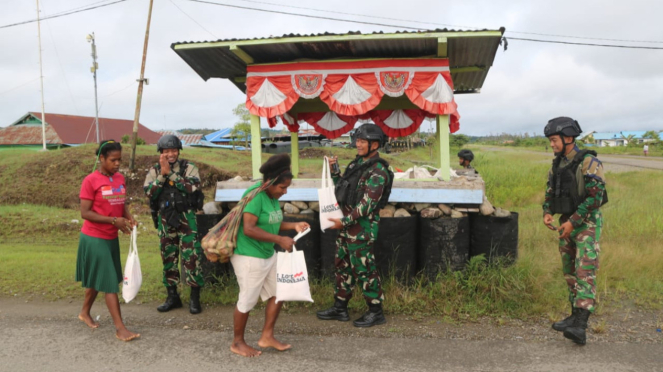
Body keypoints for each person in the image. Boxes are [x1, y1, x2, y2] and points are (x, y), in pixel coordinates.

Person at [230, 154, 310, 357]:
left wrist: (293, 225)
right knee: (247, 300)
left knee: (278, 292)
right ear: (270, 183)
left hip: (266, 254)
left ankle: (267, 336)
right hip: (249, 256)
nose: (285, 191)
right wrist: (280, 240)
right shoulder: (255, 196)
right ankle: (237, 342)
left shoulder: (272, 197)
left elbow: (271, 222)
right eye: (282, 187)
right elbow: (249, 228)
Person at [317, 123, 393, 328]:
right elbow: (343, 188)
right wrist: (334, 170)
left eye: (362, 141)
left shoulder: (378, 171)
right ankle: (340, 307)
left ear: (374, 144)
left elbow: (367, 205)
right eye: (357, 140)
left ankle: (376, 310)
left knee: (364, 269)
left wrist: (344, 221)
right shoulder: (357, 164)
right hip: (346, 227)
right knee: (342, 266)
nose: (357, 144)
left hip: (361, 229)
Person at [542, 117, 607, 346]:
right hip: (565, 222)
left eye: (554, 140)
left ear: (568, 138)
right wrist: (547, 211)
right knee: (569, 271)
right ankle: (573, 315)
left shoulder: (588, 161)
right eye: (550, 141)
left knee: (584, 271)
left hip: (586, 224)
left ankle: (580, 325)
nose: (552, 144)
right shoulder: (557, 163)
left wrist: (573, 222)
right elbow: (551, 191)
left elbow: (595, 198)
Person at [76, 140, 140, 342]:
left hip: (111, 237)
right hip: (94, 237)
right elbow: (85, 212)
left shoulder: (119, 178)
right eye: (113, 160)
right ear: (101, 158)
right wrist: (114, 220)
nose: (117, 164)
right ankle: (120, 328)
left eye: (119, 159)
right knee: (110, 281)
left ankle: (84, 312)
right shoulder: (91, 181)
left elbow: (119, 202)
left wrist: (127, 217)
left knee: (99, 276)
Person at [144, 135, 205, 314]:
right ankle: (172, 297)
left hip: (187, 219)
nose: (170, 154)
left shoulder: (189, 168)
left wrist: (170, 174)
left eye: (173, 150)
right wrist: (162, 176)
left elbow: (192, 187)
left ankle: (195, 298)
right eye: (166, 151)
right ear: (161, 152)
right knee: (168, 258)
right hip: (165, 220)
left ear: (178, 151)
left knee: (192, 258)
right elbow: (149, 193)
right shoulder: (154, 171)